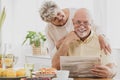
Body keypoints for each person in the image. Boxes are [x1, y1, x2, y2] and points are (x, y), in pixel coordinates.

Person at [52, 8, 116, 78]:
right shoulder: (66, 40)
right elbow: (55, 68)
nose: (82, 26)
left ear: (91, 23)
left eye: (86, 22)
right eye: (78, 22)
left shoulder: (101, 41)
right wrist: (66, 42)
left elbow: (112, 66)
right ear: (73, 22)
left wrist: (110, 72)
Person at [39, 1, 111, 57]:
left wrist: (101, 36)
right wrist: (58, 46)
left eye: (58, 13)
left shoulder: (75, 13)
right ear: (49, 22)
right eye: (55, 19)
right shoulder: (49, 29)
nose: (60, 18)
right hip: (66, 63)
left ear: (59, 8)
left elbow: (95, 26)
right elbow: (52, 55)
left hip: (85, 54)